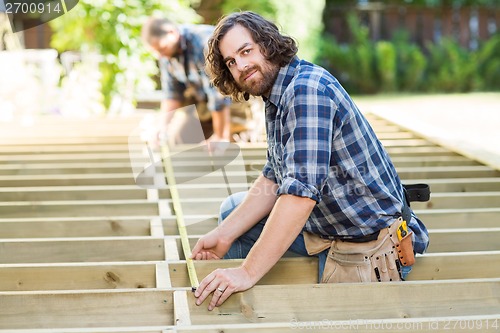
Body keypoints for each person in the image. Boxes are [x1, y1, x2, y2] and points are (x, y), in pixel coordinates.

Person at [190, 11, 430, 311]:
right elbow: (274, 176)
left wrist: (247, 271)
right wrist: (223, 234)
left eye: (245, 51)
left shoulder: (306, 91)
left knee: (246, 249)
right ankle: (250, 294)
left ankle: (261, 308)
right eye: (231, 62)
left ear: (268, 43)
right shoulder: (277, 93)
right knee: (231, 214)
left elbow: (298, 195)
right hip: (330, 227)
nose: (240, 66)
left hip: (369, 245)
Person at [141, 17, 232, 145]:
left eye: (162, 48)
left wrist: (221, 136)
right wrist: (162, 127)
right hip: (204, 105)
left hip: (234, 101)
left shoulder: (203, 43)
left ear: (172, 33)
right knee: (179, 139)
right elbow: (172, 94)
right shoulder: (167, 55)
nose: (160, 56)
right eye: (156, 52)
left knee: (222, 146)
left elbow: (218, 96)